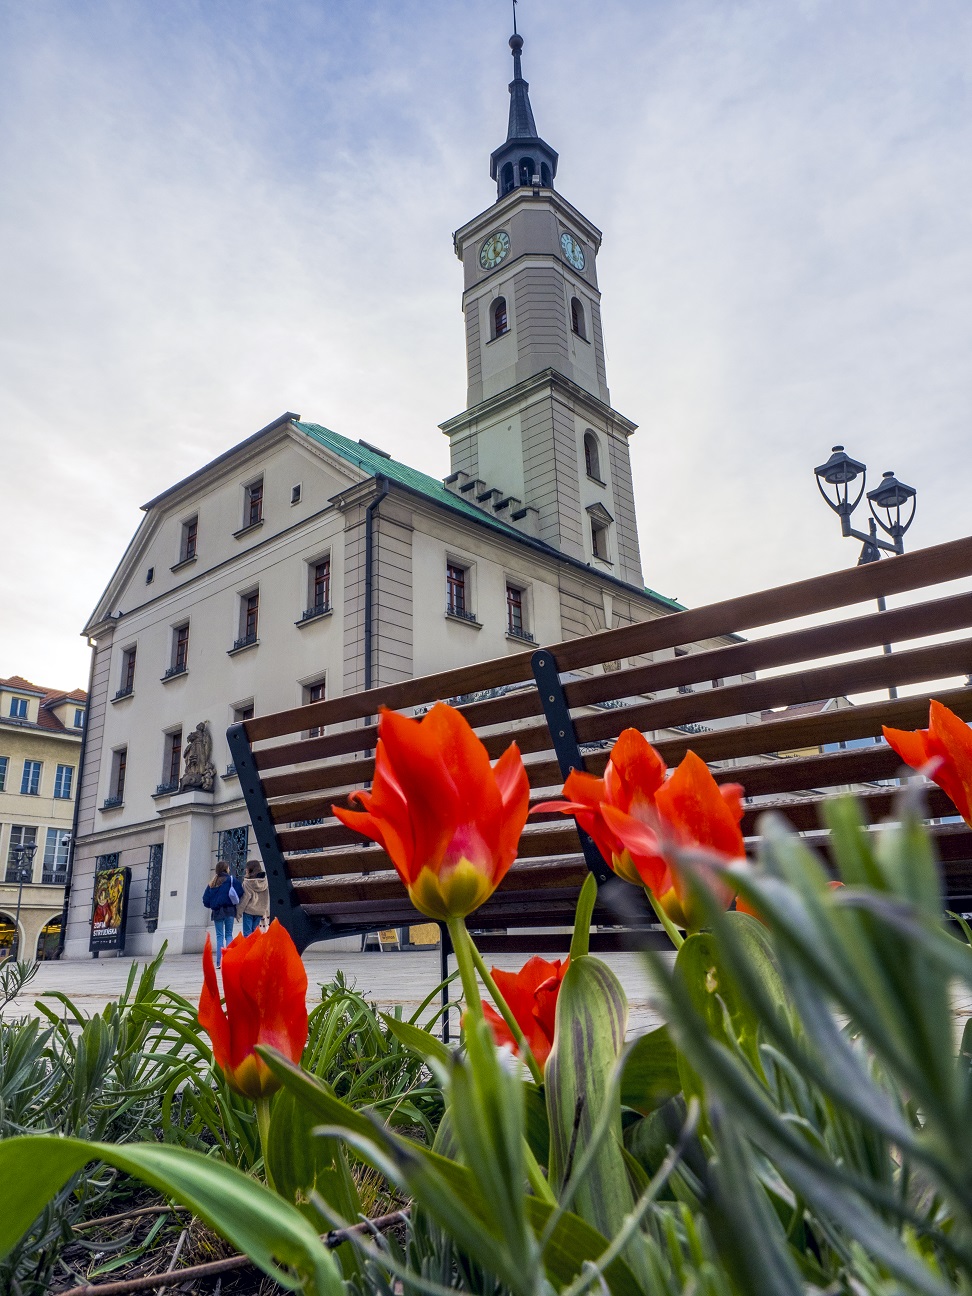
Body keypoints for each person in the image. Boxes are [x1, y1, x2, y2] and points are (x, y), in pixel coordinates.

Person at [202, 859, 238, 968]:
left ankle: (219, 962)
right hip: (229, 911)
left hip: (217, 912)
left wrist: (213, 905)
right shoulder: (231, 881)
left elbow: (205, 899)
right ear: (226, 869)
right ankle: (229, 961)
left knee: (219, 936)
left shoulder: (212, 883)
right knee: (229, 935)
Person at [237, 859, 270, 937]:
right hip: (260, 911)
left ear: (249, 869)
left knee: (247, 934)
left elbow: (245, 898)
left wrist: (238, 912)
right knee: (256, 934)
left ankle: (249, 949)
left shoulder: (247, 883)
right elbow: (267, 897)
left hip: (249, 911)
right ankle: (256, 948)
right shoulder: (265, 882)